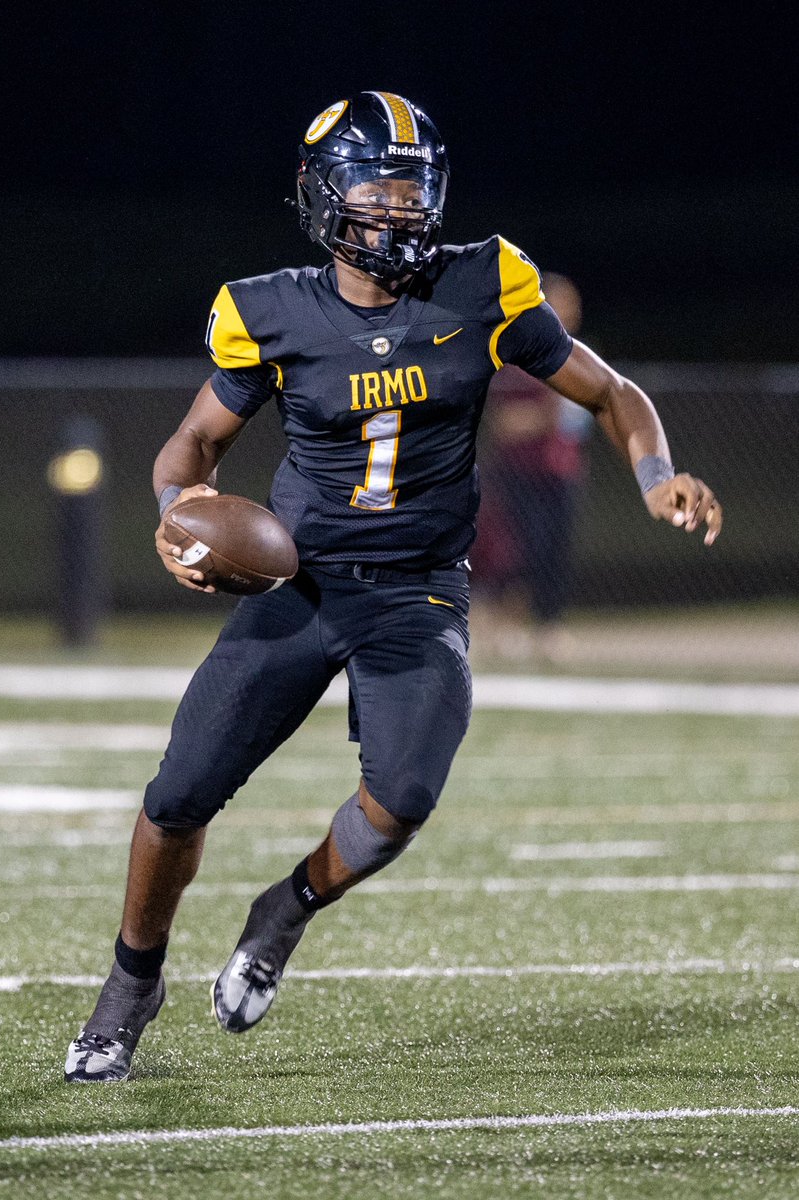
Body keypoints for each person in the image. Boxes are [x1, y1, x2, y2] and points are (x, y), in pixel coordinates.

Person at [64, 91, 722, 1082]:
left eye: (414, 190)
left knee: (401, 800)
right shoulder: (270, 310)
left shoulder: (483, 286)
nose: (401, 210)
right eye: (378, 189)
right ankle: (130, 986)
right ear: (325, 197)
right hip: (300, 586)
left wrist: (654, 472)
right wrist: (176, 508)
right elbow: (194, 442)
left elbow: (610, 392)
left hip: (418, 590)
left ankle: (282, 912)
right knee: (177, 798)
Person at [472, 273, 591, 659]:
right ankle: (503, 627)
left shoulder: (580, 360)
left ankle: (549, 630)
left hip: (563, 470)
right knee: (517, 551)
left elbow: (583, 418)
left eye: (570, 305)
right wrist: (547, 413)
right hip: (521, 471)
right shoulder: (519, 360)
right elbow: (504, 423)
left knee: (556, 552)